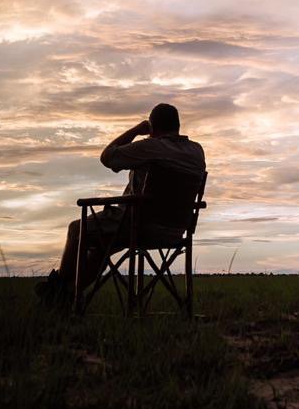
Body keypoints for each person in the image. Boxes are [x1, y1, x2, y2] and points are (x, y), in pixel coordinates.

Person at [36, 103, 205, 307]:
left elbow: (108, 158)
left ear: (152, 127)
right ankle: (71, 293)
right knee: (101, 248)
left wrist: (135, 130)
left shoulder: (152, 147)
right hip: (174, 231)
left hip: (138, 226)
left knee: (76, 229)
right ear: (177, 125)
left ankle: (58, 292)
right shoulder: (197, 151)